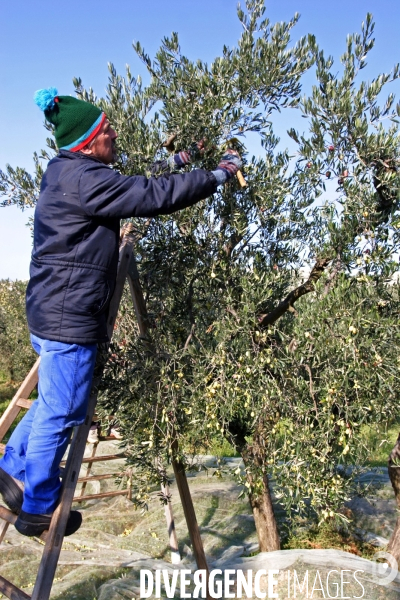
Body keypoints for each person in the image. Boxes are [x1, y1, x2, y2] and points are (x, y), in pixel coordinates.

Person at [0, 88, 242, 537]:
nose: (115, 134)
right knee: (63, 408)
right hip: (69, 317)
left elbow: (134, 176)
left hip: (49, 308)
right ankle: (37, 506)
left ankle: (13, 465)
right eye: (108, 129)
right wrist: (217, 175)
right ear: (91, 141)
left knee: (53, 395)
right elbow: (151, 194)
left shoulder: (68, 171)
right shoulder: (87, 180)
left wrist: (181, 158)